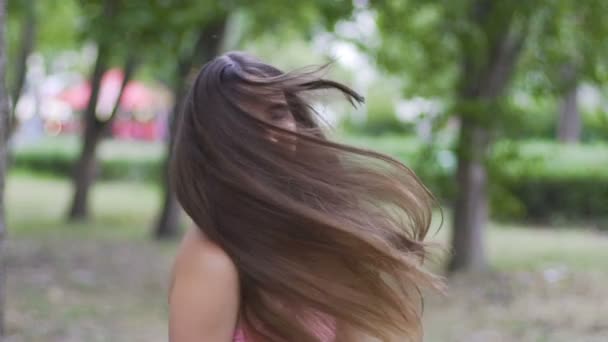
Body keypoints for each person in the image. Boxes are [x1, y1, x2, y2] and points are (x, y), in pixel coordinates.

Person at [168, 52, 441, 342]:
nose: (270, 133)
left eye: (277, 114)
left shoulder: (316, 234)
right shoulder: (212, 259)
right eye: (245, 123)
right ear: (215, 142)